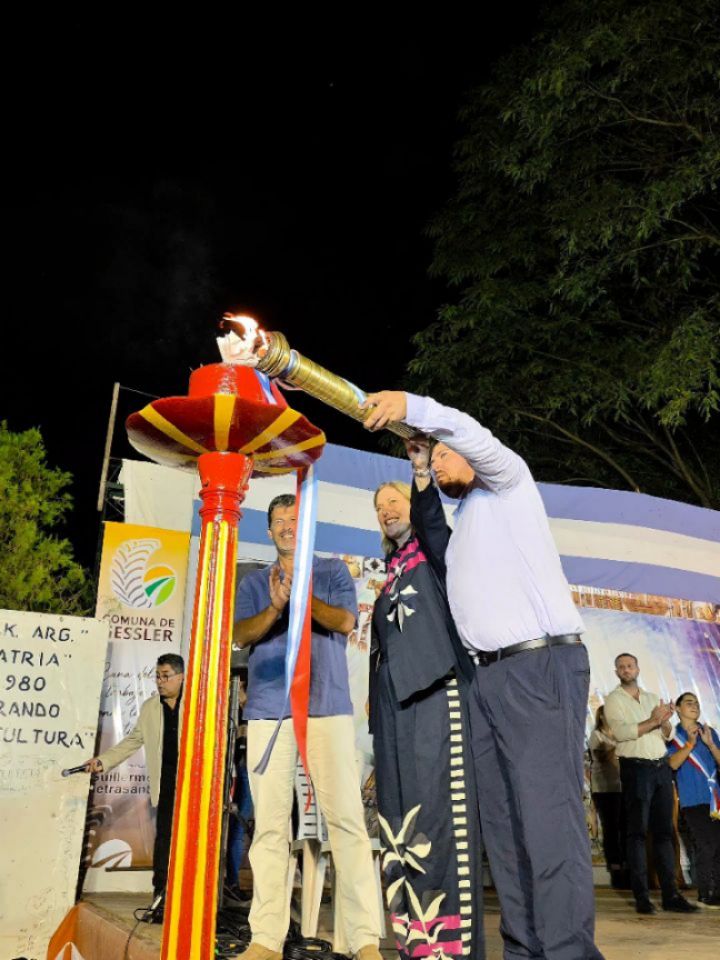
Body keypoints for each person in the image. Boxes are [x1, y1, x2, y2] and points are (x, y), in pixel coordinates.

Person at [363, 391, 603, 960]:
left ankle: (569, 952)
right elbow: (430, 530)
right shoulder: (466, 524)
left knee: (548, 823)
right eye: (434, 456)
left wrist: (411, 407)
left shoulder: (509, 484)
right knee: (504, 827)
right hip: (488, 682)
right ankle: (523, 950)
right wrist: (420, 469)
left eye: (445, 454)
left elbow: (470, 430)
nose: (440, 459)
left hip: (538, 666)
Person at [233, 494, 381, 960]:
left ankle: (364, 940)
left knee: (346, 823)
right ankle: (266, 939)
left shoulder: (333, 572)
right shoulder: (255, 582)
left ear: (307, 524)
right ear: (269, 530)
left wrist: (301, 595)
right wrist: (277, 607)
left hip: (327, 708)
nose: (285, 527)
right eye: (277, 521)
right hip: (267, 711)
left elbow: (343, 621)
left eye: (293, 519)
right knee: (271, 828)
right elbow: (240, 634)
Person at [370, 437, 482, 960]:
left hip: (439, 695)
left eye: (393, 502)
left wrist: (420, 473)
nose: (387, 511)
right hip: (396, 715)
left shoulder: (433, 557)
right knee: (402, 824)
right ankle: (418, 944)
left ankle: (455, 950)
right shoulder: (389, 578)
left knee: (441, 821)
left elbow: (434, 525)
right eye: (379, 509)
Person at [85, 653, 184, 904]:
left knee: (191, 843)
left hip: (194, 786)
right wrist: (102, 761)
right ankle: (161, 896)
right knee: (164, 841)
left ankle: (190, 900)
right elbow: (132, 741)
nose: (160, 682)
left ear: (181, 677)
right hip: (166, 785)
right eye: (157, 677)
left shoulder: (197, 704)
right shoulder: (150, 707)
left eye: (166, 676)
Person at [603, 653, 697, 914]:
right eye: (621, 666)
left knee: (665, 832)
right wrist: (654, 720)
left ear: (637, 668)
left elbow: (666, 735)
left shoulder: (652, 697)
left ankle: (670, 895)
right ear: (616, 672)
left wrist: (665, 720)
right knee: (637, 834)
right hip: (636, 769)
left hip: (660, 767)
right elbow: (621, 733)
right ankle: (642, 897)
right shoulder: (613, 700)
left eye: (629, 665)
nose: (626, 669)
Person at [667, 691, 720, 906]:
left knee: (718, 843)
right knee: (706, 844)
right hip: (692, 798)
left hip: (715, 798)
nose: (694, 705)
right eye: (688, 702)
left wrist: (710, 744)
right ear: (678, 709)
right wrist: (689, 744)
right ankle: (706, 891)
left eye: (696, 702)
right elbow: (672, 765)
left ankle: (717, 890)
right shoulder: (674, 736)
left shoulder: (709, 732)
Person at [588, 705, 625, 886]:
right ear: (601, 717)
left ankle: (626, 867)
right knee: (610, 829)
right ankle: (615, 869)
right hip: (603, 789)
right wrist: (618, 745)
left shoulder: (618, 736)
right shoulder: (597, 736)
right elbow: (601, 757)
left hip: (620, 787)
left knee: (622, 828)